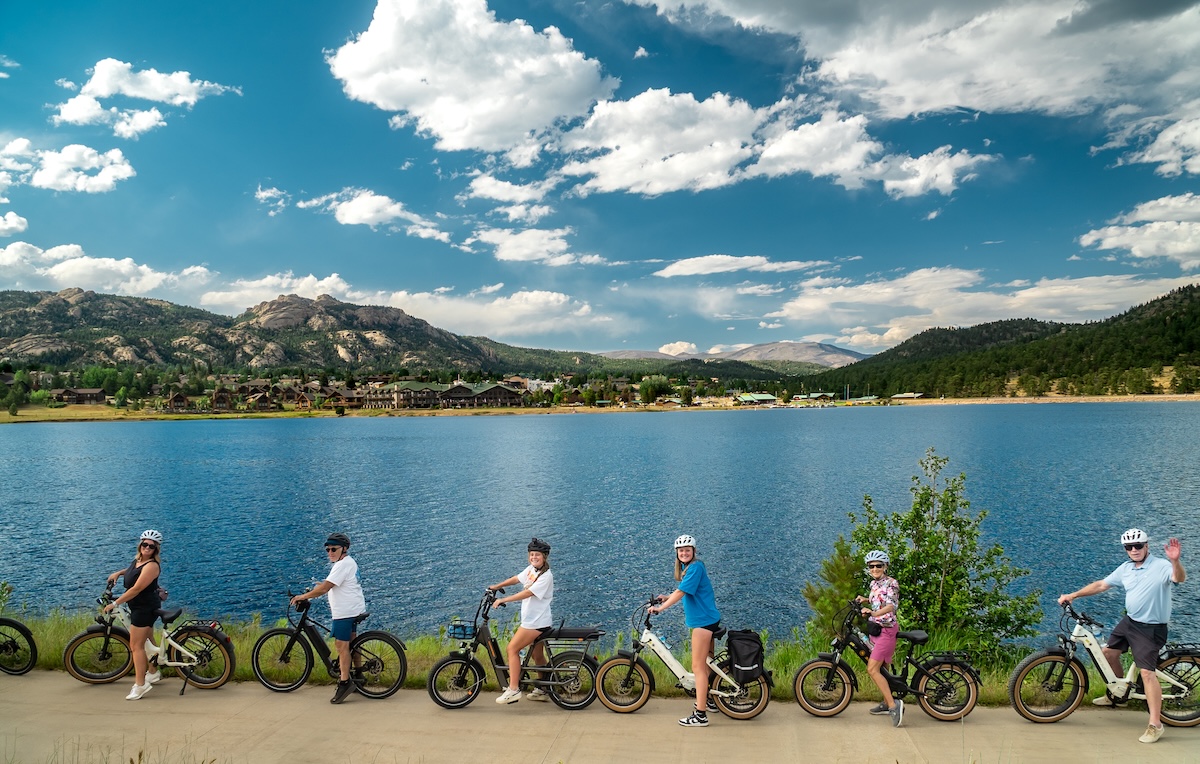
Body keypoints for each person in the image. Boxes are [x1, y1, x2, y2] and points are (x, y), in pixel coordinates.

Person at [1057, 529, 1186, 744]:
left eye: (1138, 546)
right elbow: (1101, 585)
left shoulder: (1162, 566)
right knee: (1108, 654)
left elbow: (1178, 578)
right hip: (1130, 622)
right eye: (1129, 547)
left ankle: (1156, 724)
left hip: (1151, 628)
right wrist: (1073, 595)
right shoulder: (1126, 569)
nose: (1134, 550)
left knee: (1147, 673)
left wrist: (1175, 561)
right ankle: (1118, 695)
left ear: (1147, 546)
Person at [649, 534, 721, 727]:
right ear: (677, 553)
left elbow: (681, 593)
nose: (684, 553)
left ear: (693, 551)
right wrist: (666, 597)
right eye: (681, 551)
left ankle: (700, 715)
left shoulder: (695, 567)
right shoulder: (689, 568)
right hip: (708, 619)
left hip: (703, 622)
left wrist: (660, 609)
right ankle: (711, 700)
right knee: (706, 665)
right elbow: (681, 588)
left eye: (687, 550)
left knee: (697, 668)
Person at [291, 533, 366, 704]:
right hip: (353, 608)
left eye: (334, 549)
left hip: (345, 612)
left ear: (344, 549)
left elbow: (325, 588)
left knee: (341, 646)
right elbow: (331, 583)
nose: (330, 552)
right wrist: (321, 586)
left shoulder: (342, 565)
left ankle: (345, 682)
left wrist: (304, 596)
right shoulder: (346, 562)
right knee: (352, 643)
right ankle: (359, 675)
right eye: (328, 550)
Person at [490, 537, 554, 704]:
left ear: (544, 557)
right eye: (532, 554)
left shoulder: (546, 576)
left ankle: (513, 689)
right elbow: (516, 578)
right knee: (537, 655)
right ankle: (543, 689)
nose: (534, 557)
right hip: (536, 621)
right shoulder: (532, 570)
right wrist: (496, 586)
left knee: (512, 649)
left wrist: (504, 600)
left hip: (535, 623)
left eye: (537, 555)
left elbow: (527, 593)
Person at [104, 530, 164, 700]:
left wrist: (115, 603)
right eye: (144, 544)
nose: (147, 548)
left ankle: (140, 685)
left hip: (144, 608)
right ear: (140, 545)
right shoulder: (138, 560)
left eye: (151, 546)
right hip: (139, 606)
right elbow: (133, 570)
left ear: (155, 549)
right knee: (147, 641)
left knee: (136, 646)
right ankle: (152, 672)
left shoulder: (152, 566)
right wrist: (119, 573)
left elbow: (136, 588)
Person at [855, 550, 903, 728]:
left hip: (887, 631)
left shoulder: (892, 583)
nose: (875, 569)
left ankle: (893, 706)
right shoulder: (874, 584)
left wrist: (873, 612)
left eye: (878, 566)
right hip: (876, 629)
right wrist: (865, 600)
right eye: (871, 566)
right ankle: (885, 701)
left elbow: (891, 605)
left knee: (872, 669)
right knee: (883, 669)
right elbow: (879, 600)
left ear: (885, 566)